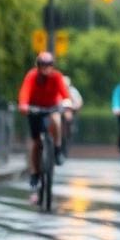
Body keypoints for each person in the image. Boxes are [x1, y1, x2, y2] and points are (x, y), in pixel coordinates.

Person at [18, 51, 70, 199]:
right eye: (43, 65)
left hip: (51, 107)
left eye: (49, 65)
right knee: (35, 142)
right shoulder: (31, 76)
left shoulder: (57, 77)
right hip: (35, 109)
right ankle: (35, 173)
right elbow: (24, 93)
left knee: (57, 120)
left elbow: (65, 94)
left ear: (52, 66)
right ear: (38, 66)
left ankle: (58, 148)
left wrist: (67, 104)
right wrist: (24, 105)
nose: (46, 68)